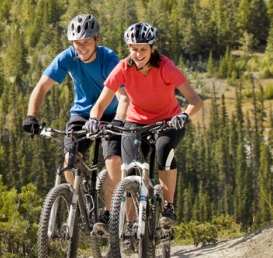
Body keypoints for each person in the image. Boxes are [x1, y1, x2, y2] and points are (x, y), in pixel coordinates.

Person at [87, 21, 202, 226]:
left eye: (143, 49)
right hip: (135, 123)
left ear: (152, 48)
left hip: (168, 122)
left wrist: (184, 116)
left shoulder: (166, 67)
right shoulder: (123, 67)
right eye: (134, 49)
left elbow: (195, 100)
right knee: (129, 170)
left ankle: (168, 208)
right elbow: (100, 104)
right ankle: (131, 225)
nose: (138, 54)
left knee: (163, 148)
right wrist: (94, 119)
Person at [22, 13, 128, 230]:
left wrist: (119, 120)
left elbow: (122, 96)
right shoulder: (67, 57)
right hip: (81, 114)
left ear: (97, 39)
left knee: (113, 162)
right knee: (68, 162)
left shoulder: (109, 59)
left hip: (110, 115)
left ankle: (108, 213)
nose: (81, 47)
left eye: (86, 42)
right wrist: (31, 116)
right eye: (77, 43)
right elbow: (42, 86)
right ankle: (80, 201)